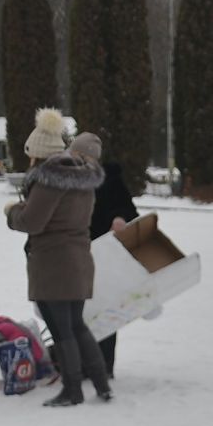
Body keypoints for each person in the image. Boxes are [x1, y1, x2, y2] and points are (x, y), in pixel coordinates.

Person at [8, 110, 108, 406]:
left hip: (53, 263)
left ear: (37, 155)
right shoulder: (82, 180)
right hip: (78, 260)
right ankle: (102, 384)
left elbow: (32, 221)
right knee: (77, 324)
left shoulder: (51, 179)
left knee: (61, 327)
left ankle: (72, 389)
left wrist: (11, 212)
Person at [88, 153, 140, 379]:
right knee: (80, 313)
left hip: (107, 254)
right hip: (78, 254)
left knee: (104, 310)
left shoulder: (111, 180)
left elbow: (130, 211)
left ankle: (104, 366)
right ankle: (81, 363)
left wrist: (119, 218)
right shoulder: (71, 179)